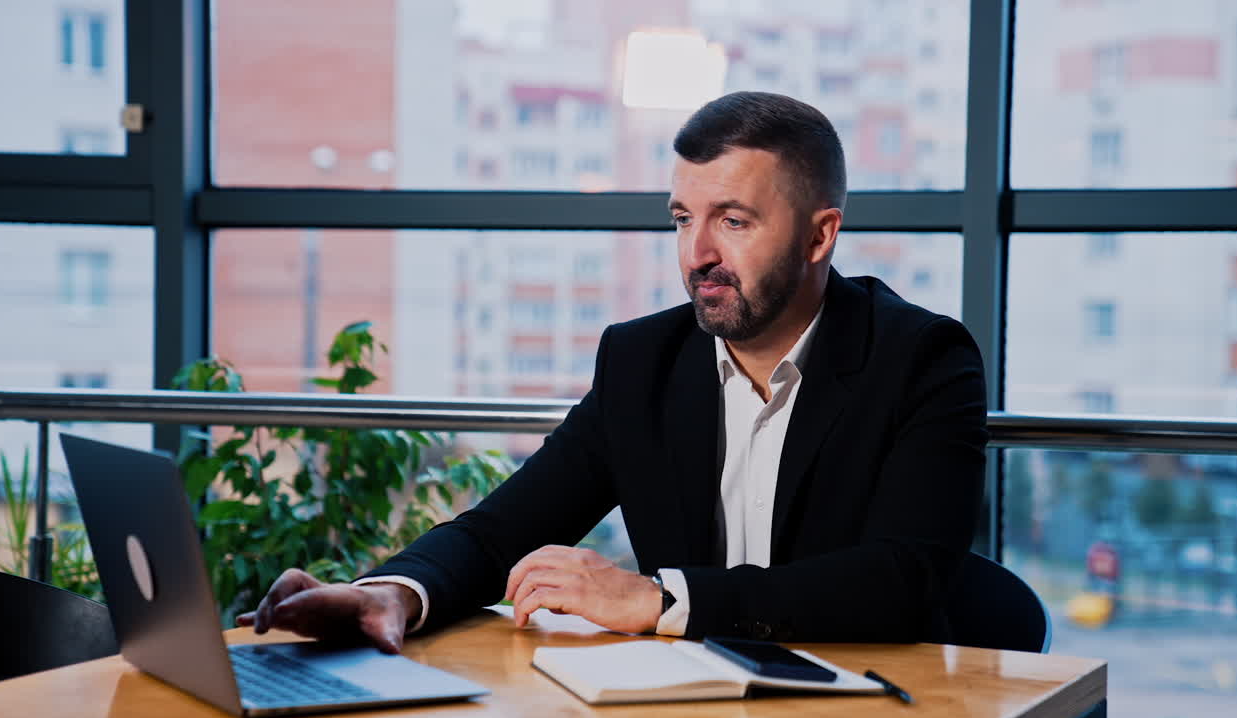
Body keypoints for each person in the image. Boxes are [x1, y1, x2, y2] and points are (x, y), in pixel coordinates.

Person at [238, 91, 988, 652]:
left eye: (732, 220)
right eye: (680, 218)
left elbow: (902, 582)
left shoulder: (922, 361)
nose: (696, 254)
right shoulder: (641, 363)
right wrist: (391, 594)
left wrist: (663, 601)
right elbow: (503, 530)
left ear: (821, 234)